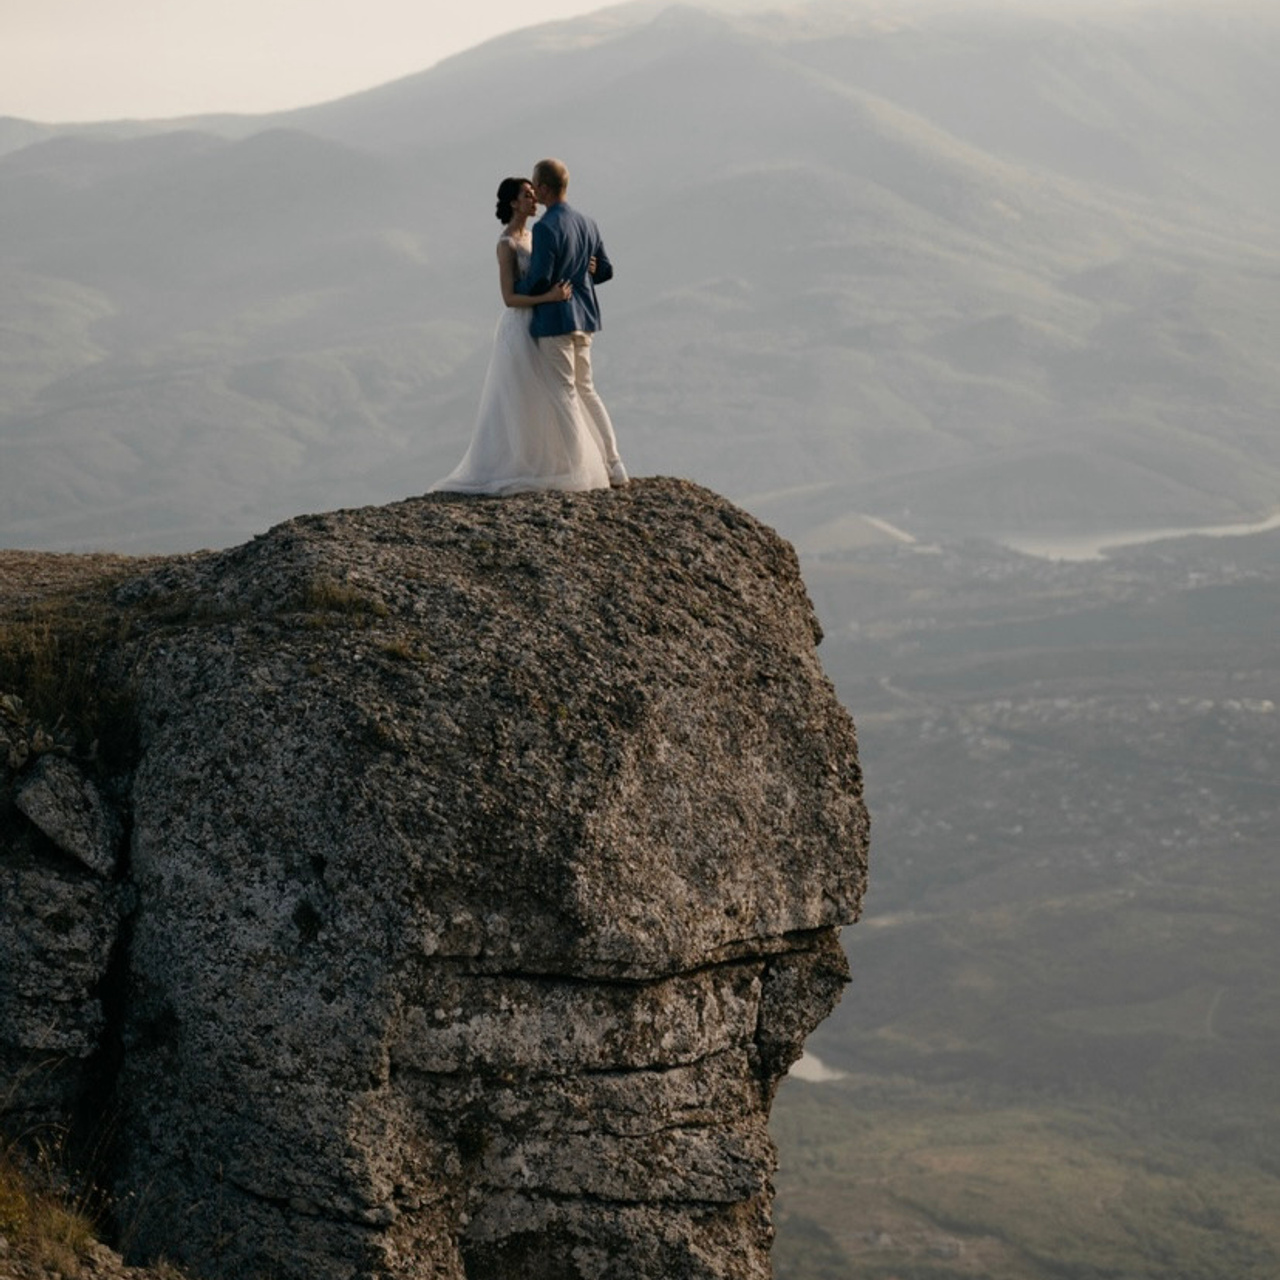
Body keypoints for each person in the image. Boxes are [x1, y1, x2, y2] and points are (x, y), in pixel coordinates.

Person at [431, 176, 615, 494]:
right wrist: (549, 298)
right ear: (514, 203)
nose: (534, 200)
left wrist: (588, 266)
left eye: (534, 194)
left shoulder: (535, 235)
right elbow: (509, 298)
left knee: (548, 394)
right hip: (521, 325)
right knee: (522, 396)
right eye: (527, 196)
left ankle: (554, 461)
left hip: (545, 323)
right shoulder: (506, 244)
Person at [518, 157, 628, 488]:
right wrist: (586, 268)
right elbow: (605, 270)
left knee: (564, 393)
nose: (534, 193)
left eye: (536, 186)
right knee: (588, 391)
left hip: (556, 319)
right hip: (586, 319)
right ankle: (614, 463)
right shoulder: (587, 223)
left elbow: (540, 279)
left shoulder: (546, 227)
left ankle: (580, 470)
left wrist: (514, 289)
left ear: (546, 188)